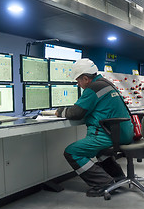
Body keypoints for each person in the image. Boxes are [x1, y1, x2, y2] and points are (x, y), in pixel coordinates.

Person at [55, 58, 134, 197]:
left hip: (108, 134)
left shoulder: (93, 88)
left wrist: (59, 111)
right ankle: (118, 177)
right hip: (123, 132)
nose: (78, 84)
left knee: (72, 152)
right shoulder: (106, 83)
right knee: (101, 152)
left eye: (78, 80)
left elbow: (76, 113)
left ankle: (103, 183)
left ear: (85, 78)